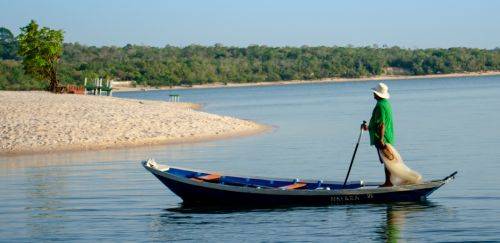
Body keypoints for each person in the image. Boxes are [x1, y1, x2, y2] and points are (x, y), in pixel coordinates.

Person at [362, 82, 395, 187]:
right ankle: (389, 181)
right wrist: (368, 127)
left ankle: (389, 183)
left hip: (382, 137)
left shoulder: (380, 106)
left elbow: (382, 124)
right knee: (385, 159)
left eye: (374, 92)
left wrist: (381, 139)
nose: (373, 94)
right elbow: (378, 123)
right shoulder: (385, 103)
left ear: (378, 94)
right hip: (386, 136)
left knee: (386, 160)